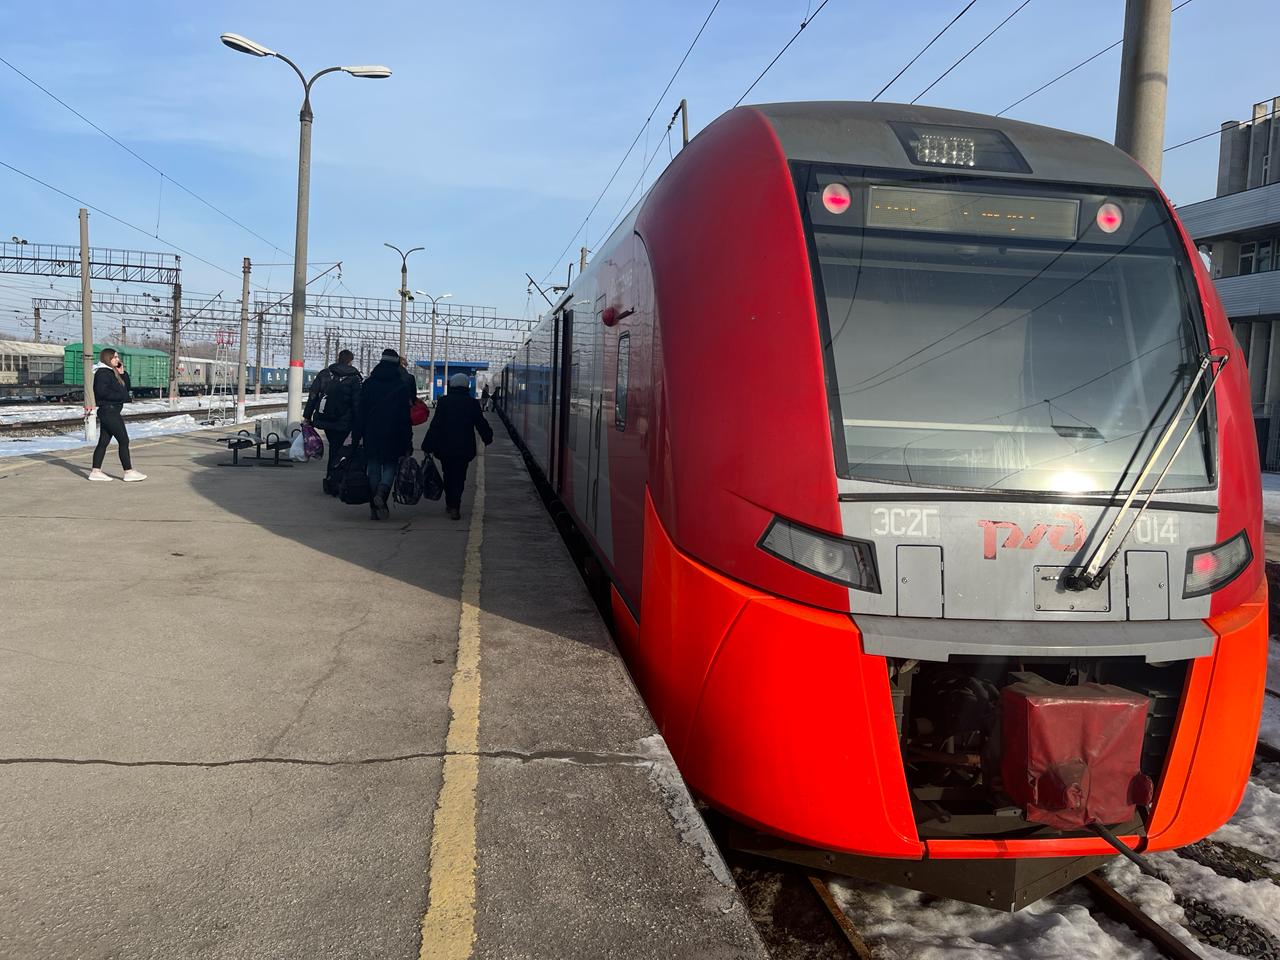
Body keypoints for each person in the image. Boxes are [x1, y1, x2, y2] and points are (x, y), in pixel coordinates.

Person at [352, 348, 414, 521]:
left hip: (371, 432)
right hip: (393, 433)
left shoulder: (368, 384)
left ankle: (374, 507)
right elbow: (405, 417)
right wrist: (407, 441)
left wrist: (356, 435)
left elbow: (360, 412)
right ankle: (382, 492)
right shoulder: (401, 386)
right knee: (389, 466)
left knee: (373, 467)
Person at [424, 371, 494, 520]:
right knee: (460, 476)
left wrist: (427, 445)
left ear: (452, 385)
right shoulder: (472, 403)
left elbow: (436, 425)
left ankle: (450, 503)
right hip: (464, 447)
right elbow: (480, 423)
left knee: (448, 475)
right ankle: (455, 505)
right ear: (466, 386)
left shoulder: (444, 402)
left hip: (445, 447)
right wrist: (487, 437)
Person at [304, 349, 362, 496]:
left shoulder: (325, 374)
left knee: (334, 449)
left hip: (325, 420)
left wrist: (307, 416)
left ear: (338, 358)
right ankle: (335, 482)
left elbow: (313, 396)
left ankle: (331, 480)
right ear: (350, 361)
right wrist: (359, 423)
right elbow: (357, 403)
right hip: (344, 422)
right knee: (339, 451)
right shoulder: (355, 378)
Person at [87, 348, 146, 482]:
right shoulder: (102, 373)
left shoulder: (112, 372)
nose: (117, 360)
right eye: (114, 357)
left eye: (117, 357)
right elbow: (101, 392)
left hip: (110, 411)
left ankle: (95, 471)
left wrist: (122, 373)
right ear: (107, 358)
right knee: (124, 441)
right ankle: (128, 471)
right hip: (109, 411)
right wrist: (121, 397)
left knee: (103, 442)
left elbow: (126, 388)